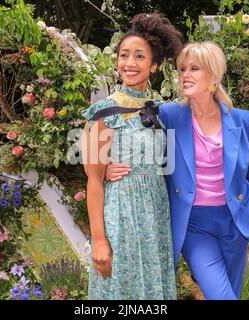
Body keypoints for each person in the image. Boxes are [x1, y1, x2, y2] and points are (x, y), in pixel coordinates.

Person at [106, 41, 249, 300]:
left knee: (231, 293)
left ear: (213, 75)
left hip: (235, 222)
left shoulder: (241, 119)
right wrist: (105, 167)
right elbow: (133, 138)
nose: (185, 75)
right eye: (182, 69)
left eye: (194, 68)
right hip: (194, 224)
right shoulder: (169, 114)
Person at [82, 12, 183, 300]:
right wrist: (99, 240)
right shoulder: (105, 113)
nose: (130, 63)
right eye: (124, 55)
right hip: (121, 215)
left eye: (139, 56)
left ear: (153, 65)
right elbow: (94, 181)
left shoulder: (161, 110)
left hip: (155, 215)